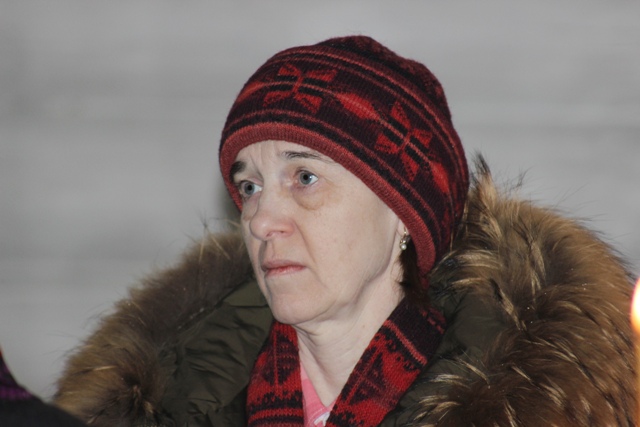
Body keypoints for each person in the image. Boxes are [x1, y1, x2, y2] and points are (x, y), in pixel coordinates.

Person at [53, 36, 635, 426]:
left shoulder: (534, 404)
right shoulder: (161, 400)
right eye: (249, 186)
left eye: (304, 177)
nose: (260, 220)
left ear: (403, 214)